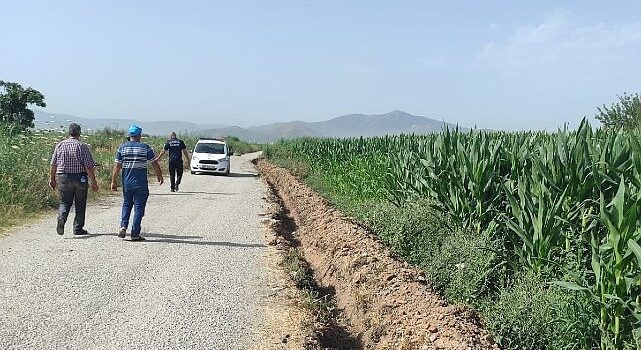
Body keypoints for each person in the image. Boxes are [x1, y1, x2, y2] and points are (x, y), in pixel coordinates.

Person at [110, 125, 164, 241]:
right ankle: (135, 233)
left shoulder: (122, 148)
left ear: (129, 135)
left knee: (126, 204)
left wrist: (113, 181)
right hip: (141, 184)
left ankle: (123, 226)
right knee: (139, 208)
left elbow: (117, 166)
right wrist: (159, 175)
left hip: (127, 183)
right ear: (139, 135)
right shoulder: (145, 148)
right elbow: (154, 163)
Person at [48, 123, 99, 235]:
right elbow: (88, 166)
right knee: (80, 203)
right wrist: (93, 181)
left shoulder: (60, 145)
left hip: (63, 177)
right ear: (79, 133)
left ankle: (62, 218)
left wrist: (52, 179)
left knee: (65, 202)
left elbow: (53, 164)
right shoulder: (82, 146)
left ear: (69, 132)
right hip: (80, 177)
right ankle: (78, 228)